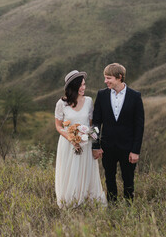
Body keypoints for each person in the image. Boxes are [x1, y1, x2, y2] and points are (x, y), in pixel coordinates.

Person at [54, 70, 107, 208]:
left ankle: (88, 200)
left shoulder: (89, 101)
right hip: (68, 145)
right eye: (81, 85)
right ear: (73, 86)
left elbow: (92, 126)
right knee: (69, 172)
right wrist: (71, 138)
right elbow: (58, 126)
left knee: (86, 170)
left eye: (84, 84)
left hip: (86, 143)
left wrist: (96, 144)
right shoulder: (62, 103)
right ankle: (70, 201)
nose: (84, 87)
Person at [92, 63, 144, 202]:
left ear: (119, 77)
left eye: (108, 78)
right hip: (107, 146)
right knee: (109, 179)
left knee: (128, 180)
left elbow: (139, 126)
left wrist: (135, 150)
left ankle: (128, 207)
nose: (105, 81)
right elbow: (96, 122)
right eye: (105, 78)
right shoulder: (101, 95)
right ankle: (112, 207)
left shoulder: (135, 96)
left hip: (128, 148)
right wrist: (96, 145)